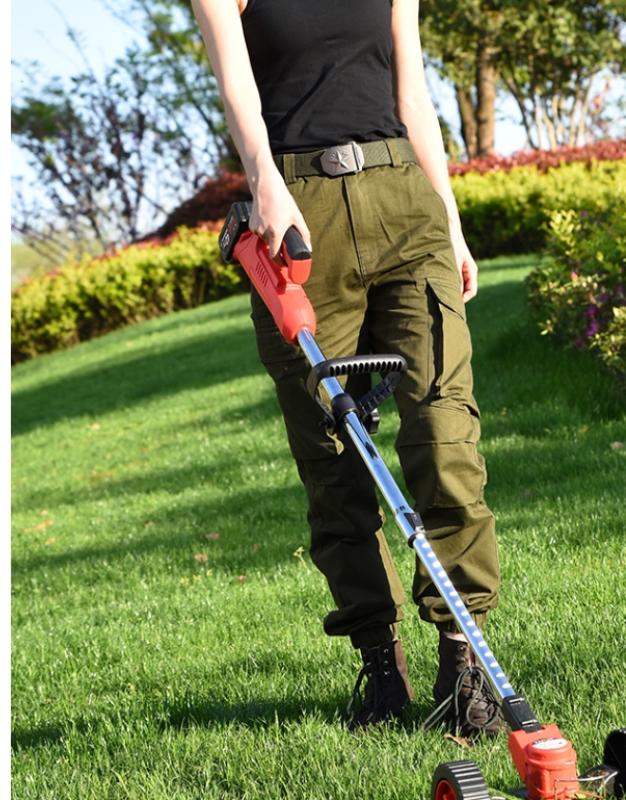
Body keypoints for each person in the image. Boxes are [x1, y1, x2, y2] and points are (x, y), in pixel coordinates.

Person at [191, 0, 501, 736]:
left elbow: (412, 94)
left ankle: (463, 666)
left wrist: (449, 219)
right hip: (300, 214)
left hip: (405, 200)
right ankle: (380, 663)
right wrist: (263, 178)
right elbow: (235, 82)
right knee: (333, 456)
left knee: (445, 433)